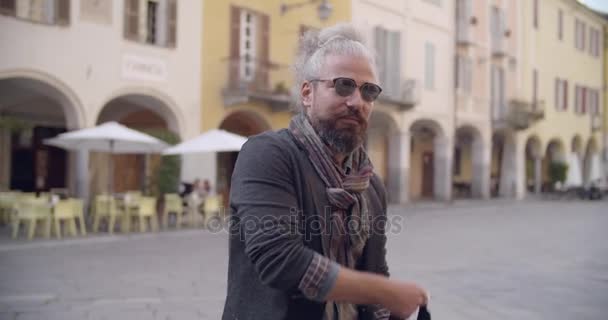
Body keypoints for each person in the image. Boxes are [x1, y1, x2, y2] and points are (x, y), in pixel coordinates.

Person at [222, 23, 428, 320]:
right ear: (307, 93)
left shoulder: (370, 184)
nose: (357, 101)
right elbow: (280, 260)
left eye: (369, 91)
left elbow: (374, 271)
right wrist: (384, 292)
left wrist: (396, 309)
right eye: (343, 85)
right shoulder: (267, 154)